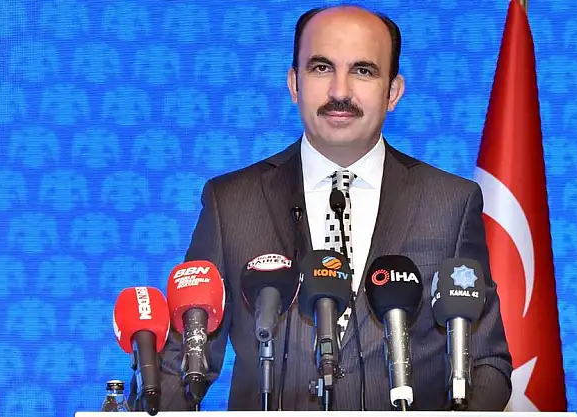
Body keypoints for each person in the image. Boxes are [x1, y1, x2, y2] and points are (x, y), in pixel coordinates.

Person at [130, 4, 512, 411]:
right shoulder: (231, 202)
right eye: (321, 68)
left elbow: (486, 363)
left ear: (393, 92)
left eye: (363, 70)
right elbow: (182, 364)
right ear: (294, 83)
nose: (340, 92)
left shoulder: (450, 202)